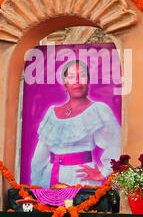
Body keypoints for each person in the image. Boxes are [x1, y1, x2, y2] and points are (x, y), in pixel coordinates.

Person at [29, 60, 121, 188]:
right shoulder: (52, 112)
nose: (77, 80)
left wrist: (104, 172)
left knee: (80, 207)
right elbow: (39, 157)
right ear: (65, 84)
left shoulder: (98, 109)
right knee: (49, 207)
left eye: (82, 75)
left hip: (81, 179)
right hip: (50, 178)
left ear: (88, 81)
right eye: (71, 77)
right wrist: (34, 187)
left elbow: (116, 142)